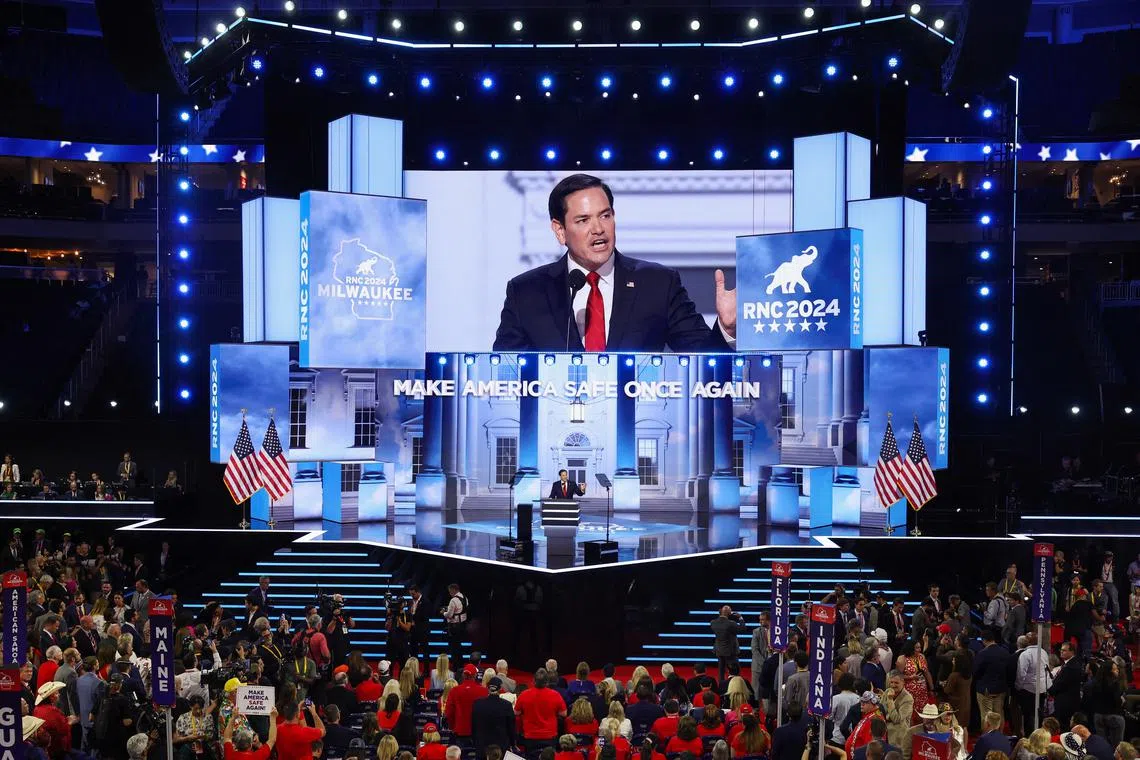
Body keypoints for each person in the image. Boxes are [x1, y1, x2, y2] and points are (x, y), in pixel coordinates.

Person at [492, 173, 736, 352]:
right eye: (583, 220)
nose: (598, 229)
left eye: (605, 215)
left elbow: (705, 364)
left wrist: (726, 329)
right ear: (560, 230)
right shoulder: (526, 292)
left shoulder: (658, 283)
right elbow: (503, 374)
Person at [515, 669, 568, 752]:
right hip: (549, 736)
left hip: (530, 737)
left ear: (533, 681)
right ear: (547, 682)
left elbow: (516, 712)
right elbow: (564, 713)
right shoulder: (555, 695)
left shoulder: (524, 695)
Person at [972, 630, 1010, 728]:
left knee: (986, 716)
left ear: (984, 640)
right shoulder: (1005, 653)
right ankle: (999, 735)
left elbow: (975, 671)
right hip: (1001, 689)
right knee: (999, 714)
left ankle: (987, 736)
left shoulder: (982, 654)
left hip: (985, 690)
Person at [473, 677, 516, 757]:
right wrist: (513, 743)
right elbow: (511, 727)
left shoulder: (477, 704)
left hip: (482, 746)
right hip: (500, 747)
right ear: (500, 688)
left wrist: (476, 742)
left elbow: (474, 725)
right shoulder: (506, 705)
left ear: (488, 687)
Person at [446, 663, 490, 742]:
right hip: (479, 732)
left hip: (460, 731)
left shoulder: (454, 691)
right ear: (475, 675)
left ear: (463, 675)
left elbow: (449, 712)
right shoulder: (484, 691)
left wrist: (452, 727)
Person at [173, 695, 217, 760]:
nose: (198, 711)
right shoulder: (183, 718)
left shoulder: (207, 717)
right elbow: (176, 739)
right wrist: (187, 738)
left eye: (200, 708)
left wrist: (202, 737)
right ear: (191, 706)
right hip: (187, 746)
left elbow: (211, 735)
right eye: (196, 709)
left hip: (204, 746)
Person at [710, 606, 747, 684]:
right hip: (730, 652)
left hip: (719, 651)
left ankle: (721, 687)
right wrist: (740, 617)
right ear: (729, 613)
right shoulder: (731, 624)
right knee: (735, 671)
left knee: (721, 672)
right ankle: (735, 686)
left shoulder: (713, 622)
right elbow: (743, 629)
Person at [442, 584, 469, 668]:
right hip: (463, 625)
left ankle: (456, 667)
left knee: (454, 648)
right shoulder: (465, 598)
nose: (449, 593)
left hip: (455, 626)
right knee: (459, 646)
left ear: (453, 590)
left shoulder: (453, 600)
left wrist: (443, 612)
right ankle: (460, 665)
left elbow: (449, 615)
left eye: (450, 591)